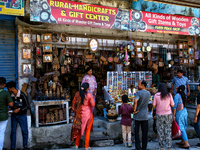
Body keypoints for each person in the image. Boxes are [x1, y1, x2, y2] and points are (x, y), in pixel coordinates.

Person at [70, 83, 95, 150]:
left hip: (79, 114)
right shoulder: (89, 95)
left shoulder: (77, 94)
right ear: (87, 89)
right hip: (88, 114)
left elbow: (73, 103)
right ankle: (86, 146)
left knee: (79, 129)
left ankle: (76, 145)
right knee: (87, 130)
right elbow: (93, 104)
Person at [6, 81, 29, 150]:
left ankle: (25, 146)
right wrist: (10, 109)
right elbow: (11, 104)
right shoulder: (10, 95)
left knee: (24, 131)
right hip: (14, 116)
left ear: (12, 88)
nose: (7, 90)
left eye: (8, 89)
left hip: (22, 116)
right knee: (13, 132)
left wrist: (18, 110)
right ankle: (13, 147)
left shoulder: (22, 95)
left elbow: (26, 105)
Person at [152, 83, 174, 150]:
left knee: (160, 131)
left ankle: (161, 147)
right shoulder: (169, 95)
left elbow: (153, 106)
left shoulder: (156, 95)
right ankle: (169, 147)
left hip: (159, 115)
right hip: (168, 114)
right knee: (168, 131)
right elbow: (173, 105)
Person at [133, 80, 151, 150]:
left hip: (137, 115)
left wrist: (134, 110)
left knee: (136, 133)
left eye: (139, 84)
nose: (138, 85)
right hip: (145, 115)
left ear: (143, 85)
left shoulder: (138, 93)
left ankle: (138, 147)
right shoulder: (148, 93)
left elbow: (135, 101)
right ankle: (144, 147)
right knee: (145, 133)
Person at [0, 77, 13, 150]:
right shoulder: (6, 93)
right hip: (3, 116)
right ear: (4, 85)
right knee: (1, 133)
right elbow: (11, 104)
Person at [194, 83, 200, 148]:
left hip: (199, 113)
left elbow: (198, 106)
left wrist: (196, 116)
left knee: (196, 126)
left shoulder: (199, 95)